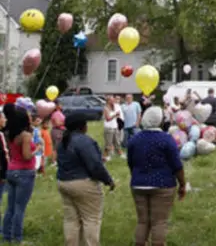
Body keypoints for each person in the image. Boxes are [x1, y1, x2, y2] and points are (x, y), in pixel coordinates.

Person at [127, 107, 186, 246]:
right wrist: (182, 184)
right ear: (160, 121)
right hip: (162, 185)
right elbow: (177, 165)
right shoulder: (166, 139)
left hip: (138, 183)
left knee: (143, 221)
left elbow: (131, 163)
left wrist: (136, 176)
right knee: (159, 222)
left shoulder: (134, 139)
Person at [56, 111, 115, 246]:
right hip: (83, 183)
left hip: (64, 182)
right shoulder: (84, 141)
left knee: (71, 220)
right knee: (91, 219)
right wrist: (108, 180)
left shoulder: (63, 141)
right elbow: (95, 166)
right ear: (82, 126)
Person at [3, 106, 36, 243]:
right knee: (19, 208)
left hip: (11, 170)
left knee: (10, 207)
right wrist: (38, 149)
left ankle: (6, 235)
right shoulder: (25, 136)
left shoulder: (9, 133)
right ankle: (18, 238)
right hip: (25, 172)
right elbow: (27, 155)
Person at [102, 96, 123, 161]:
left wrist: (118, 115)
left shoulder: (114, 107)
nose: (113, 101)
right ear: (108, 101)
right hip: (109, 128)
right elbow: (108, 119)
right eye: (112, 100)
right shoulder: (105, 108)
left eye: (113, 100)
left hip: (115, 127)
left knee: (117, 142)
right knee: (108, 144)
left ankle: (120, 154)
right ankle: (105, 156)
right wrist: (115, 115)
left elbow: (117, 116)